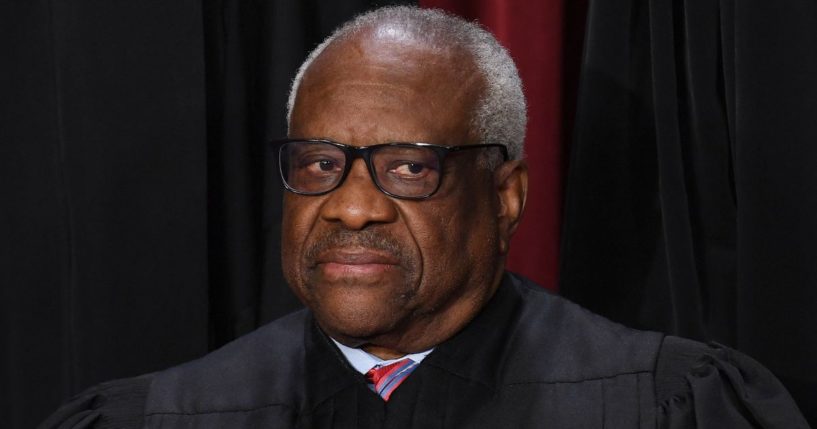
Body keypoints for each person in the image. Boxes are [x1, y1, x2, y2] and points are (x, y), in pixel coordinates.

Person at [40, 6, 809, 428]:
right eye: (318, 163)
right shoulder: (165, 416)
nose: (349, 206)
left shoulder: (665, 406)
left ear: (505, 197)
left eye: (408, 167)